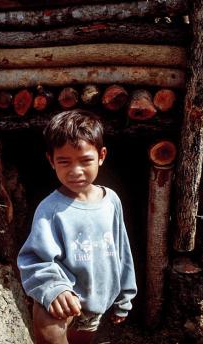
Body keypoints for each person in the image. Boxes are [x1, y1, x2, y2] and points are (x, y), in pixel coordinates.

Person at [17, 109, 137, 344]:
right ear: (51, 161)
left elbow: (122, 251)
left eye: (85, 161)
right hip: (65, 299)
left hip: (97, 301)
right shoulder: (50, 209)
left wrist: (125, 298)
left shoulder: (111, 201)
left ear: (101, 156)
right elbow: (34, 259)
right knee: (48, 323)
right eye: (64, 161)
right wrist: (54, 289)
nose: (75, 171)